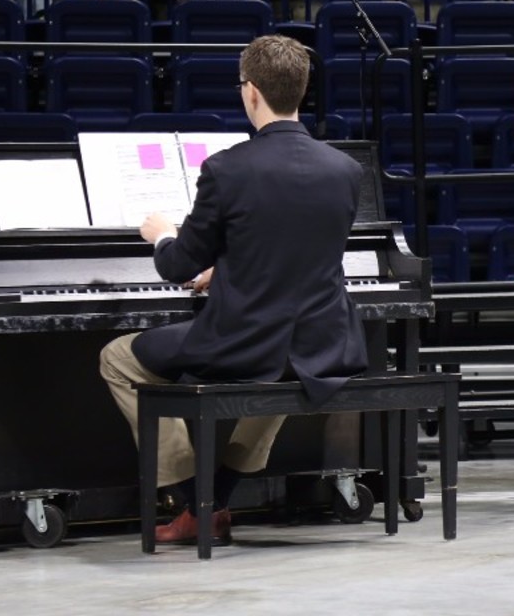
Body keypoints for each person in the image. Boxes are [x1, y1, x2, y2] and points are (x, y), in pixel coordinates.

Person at [99, 34, 369, 545]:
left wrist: (164, 235)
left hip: (246, 340)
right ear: (301, 90)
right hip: (322, 341)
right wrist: (228, 269)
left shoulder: (227, 169)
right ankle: (218, 500)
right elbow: (296, 250)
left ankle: (192, 499)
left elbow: (179, 265)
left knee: (117, 357)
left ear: (250, 93)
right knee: (283, 370)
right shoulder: (345, 170)